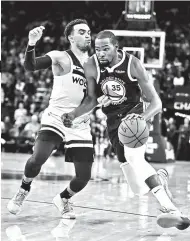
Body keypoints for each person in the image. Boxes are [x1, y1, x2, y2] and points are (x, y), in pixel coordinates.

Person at [61, 30, 190, 229]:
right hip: (114, 124)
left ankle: (172, 210)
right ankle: (160, 178)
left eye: (106, 49)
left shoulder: (133, 64)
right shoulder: (91, 65)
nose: (101, 53)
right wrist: (73, 114)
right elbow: (91, 99)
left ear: (116, 48)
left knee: (135, 158)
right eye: (98, 49)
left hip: (134, 119)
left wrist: (142, 118)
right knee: (138, 189)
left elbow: (156, 103)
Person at [7, 19, 94, 219]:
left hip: (79, 122)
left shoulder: (95, 64)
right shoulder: (60, 57)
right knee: (38, 158)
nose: (87, 35)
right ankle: (23, 189)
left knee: (84, 177)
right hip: (56, 117)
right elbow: (31, 66)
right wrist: (31, 43)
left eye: (89, 32)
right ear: (71, 37)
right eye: (82, 32)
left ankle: (63, 198)